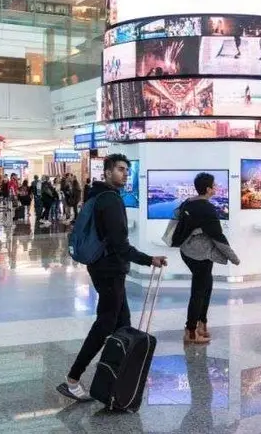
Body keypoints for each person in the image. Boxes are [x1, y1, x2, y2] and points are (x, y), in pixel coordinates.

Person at [57, 153, 167, 402]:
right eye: (119, 169)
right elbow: (120, 244)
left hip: (102, 266)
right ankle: (73, 379)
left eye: (127, 170)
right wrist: (149, 260)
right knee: (106, 322)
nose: (124, 173)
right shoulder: (110, 200)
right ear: (106, 172)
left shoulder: (97, 195)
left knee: (123, 323)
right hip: (109, 269)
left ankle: (116, 378)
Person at [173, 172, 240, 344]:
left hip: (189, 251)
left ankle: (202, 324)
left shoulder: (189, 202)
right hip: (199, 255)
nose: (216, 188)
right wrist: (233, 258)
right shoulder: (206, 208)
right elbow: (218, 236)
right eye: (215, 185)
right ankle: (191, 331)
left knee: (206, 286)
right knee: (199, 291)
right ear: (208, 189)